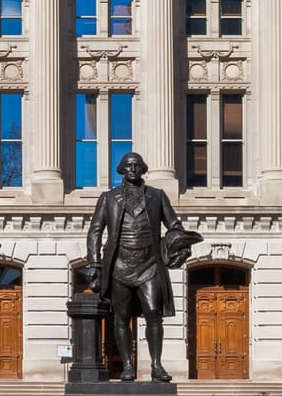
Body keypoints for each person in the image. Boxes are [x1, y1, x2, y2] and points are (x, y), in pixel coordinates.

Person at [82, 151, 197, 381]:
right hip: (119, 265)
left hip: (150, 264)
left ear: (143, 169)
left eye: (137, 165)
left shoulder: (157, 196)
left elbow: (174, 225)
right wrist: (94, 263)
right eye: (128, 165)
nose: (133, 168)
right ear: (121, 169)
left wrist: (181, 247)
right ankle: (126, 365)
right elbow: (95, 231)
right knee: (121, 318)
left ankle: (156, 365)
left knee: (154, 314)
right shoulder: (108, 198)